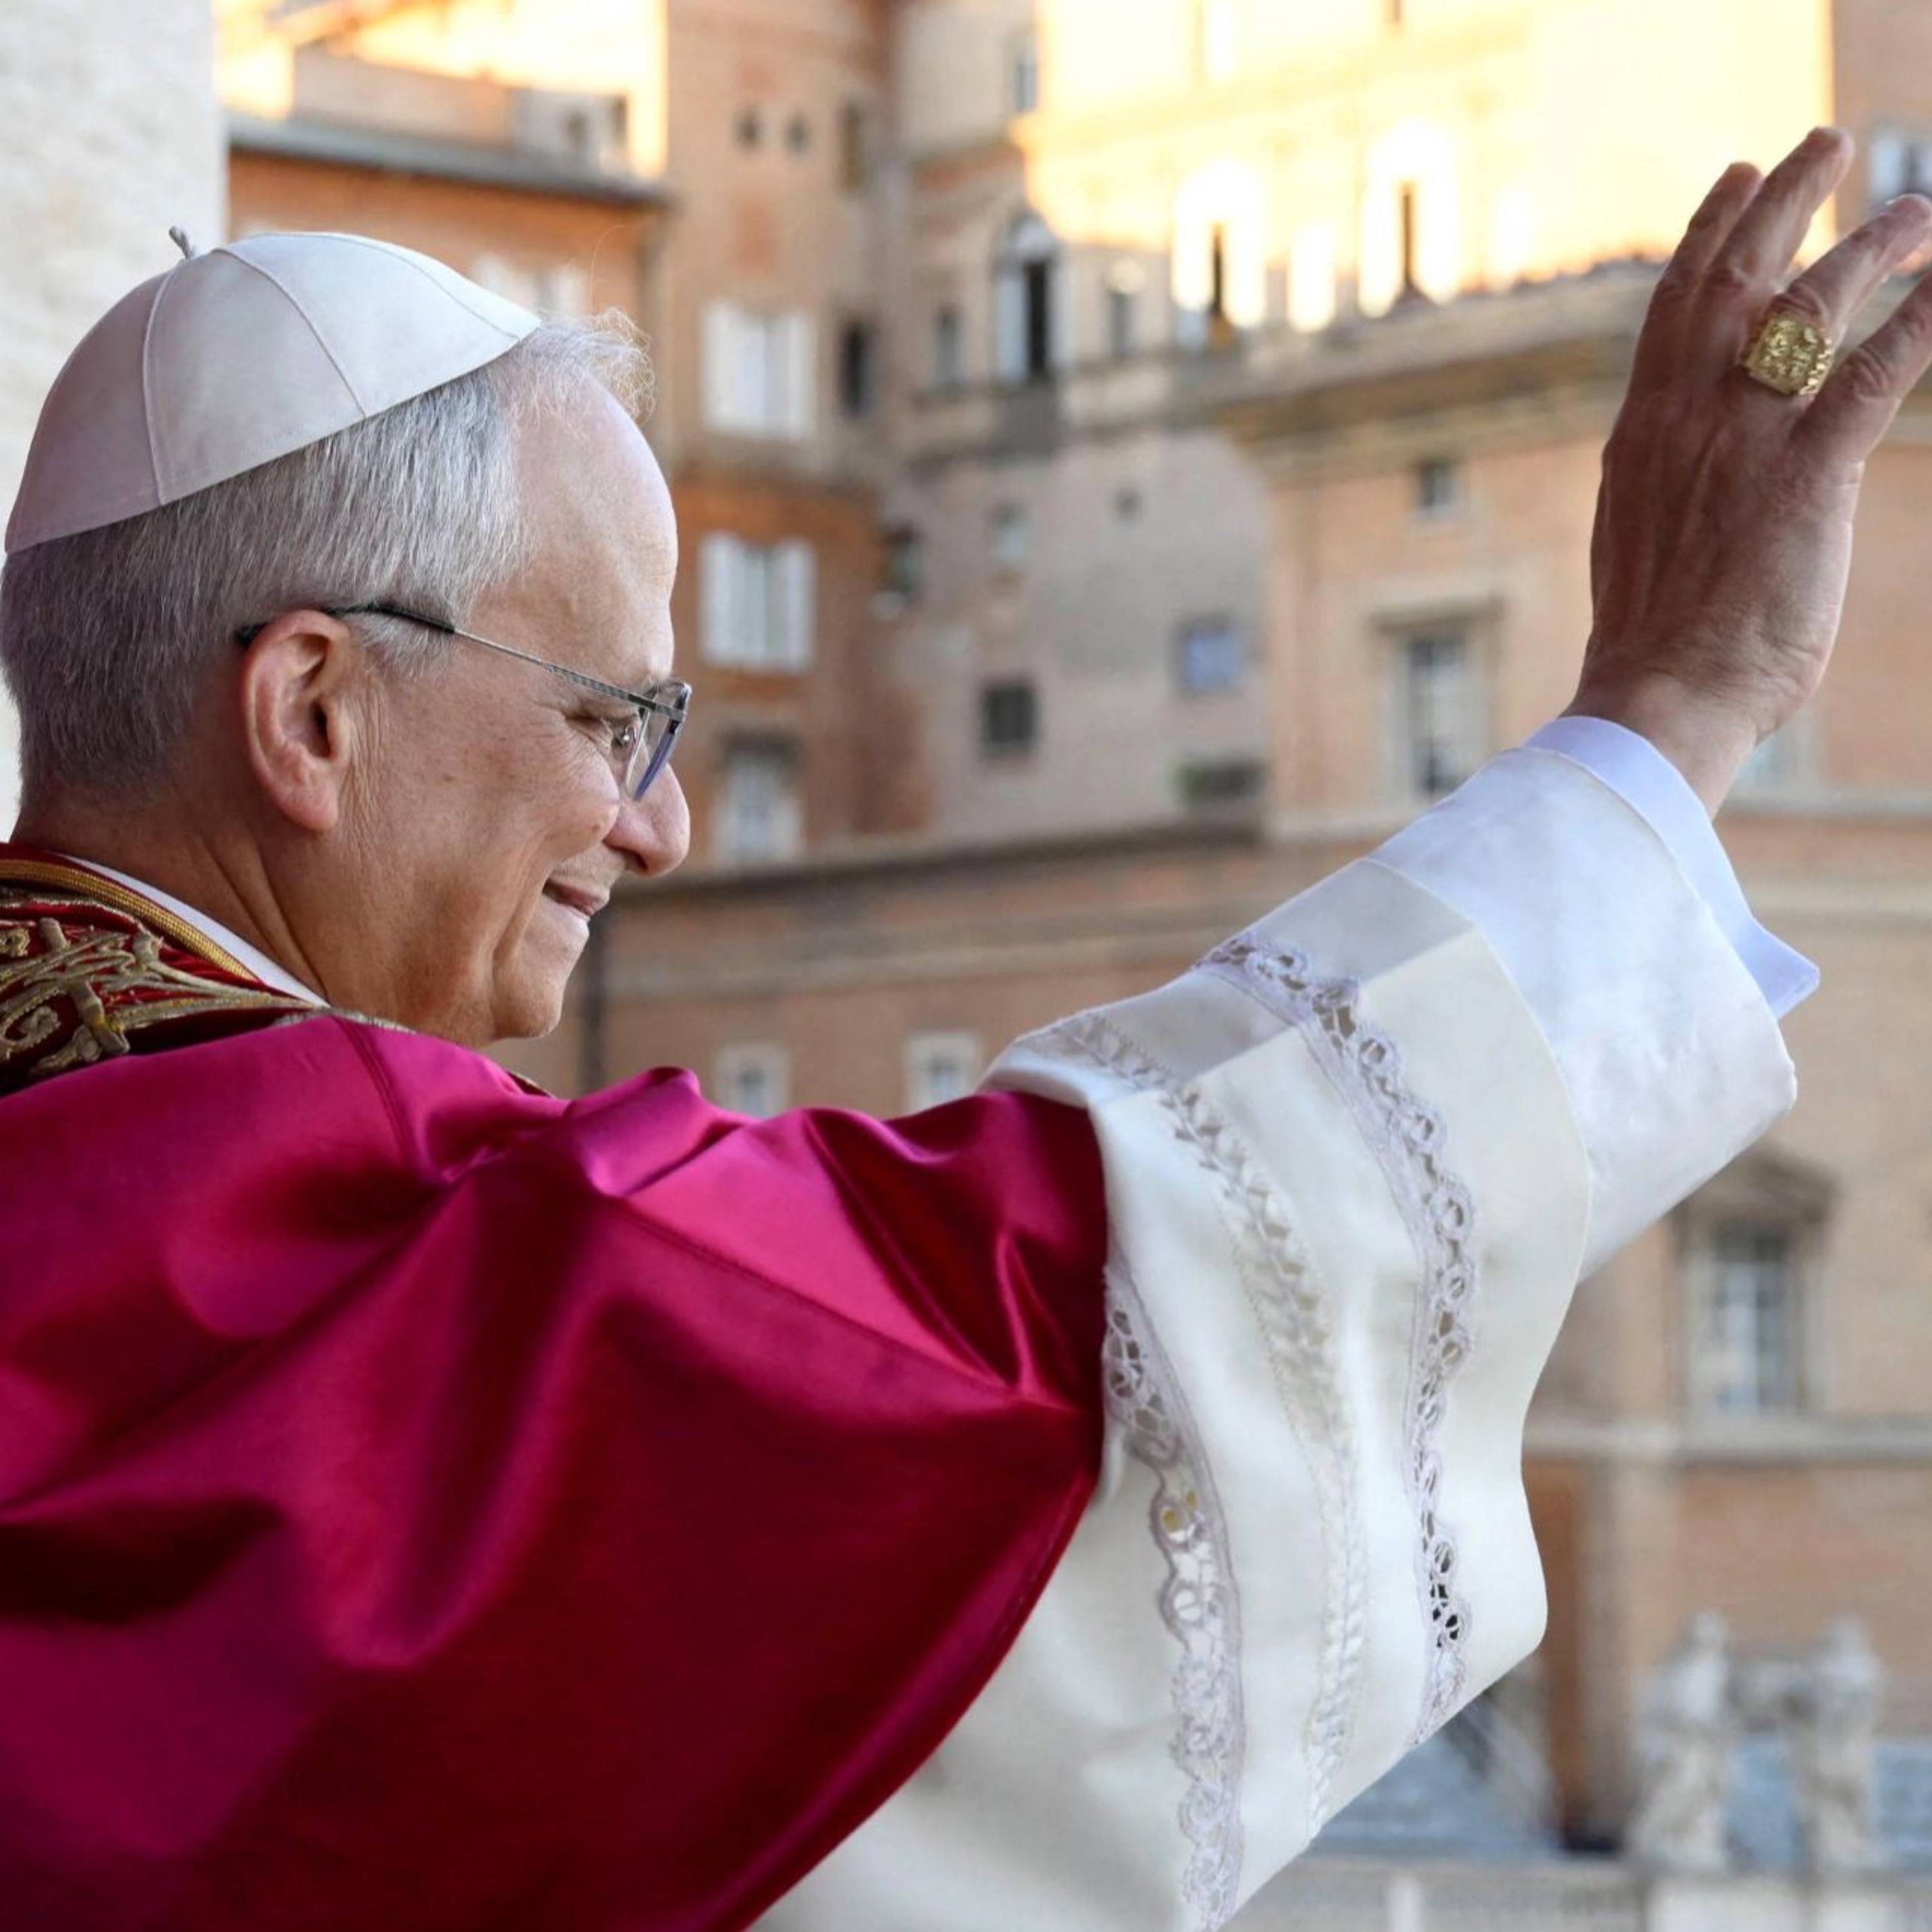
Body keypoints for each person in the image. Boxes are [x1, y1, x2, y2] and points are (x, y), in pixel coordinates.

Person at [0, 127, 1922, 1932]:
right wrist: (1674, 706)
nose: (659, 829)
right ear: (313, 713)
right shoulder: (381, 1266)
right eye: (613, 722)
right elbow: (1063, 1328)